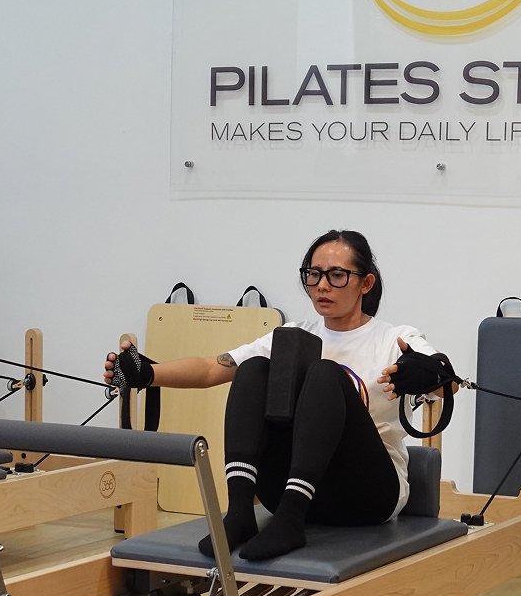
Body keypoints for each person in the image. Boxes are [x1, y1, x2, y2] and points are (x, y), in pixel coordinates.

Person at [105, 229, 454, 562]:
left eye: (337, 275)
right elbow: (211, 369)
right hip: (285, 491)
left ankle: (290, 520)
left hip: (367, 495)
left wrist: (424, 375)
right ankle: (239, 512)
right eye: (313, 275)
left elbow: (447, 382)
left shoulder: (394, 338)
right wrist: (146, 374)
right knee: (254, 367)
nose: (322, 286)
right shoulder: (292, 335)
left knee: (325, 373)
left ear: (366, 283)